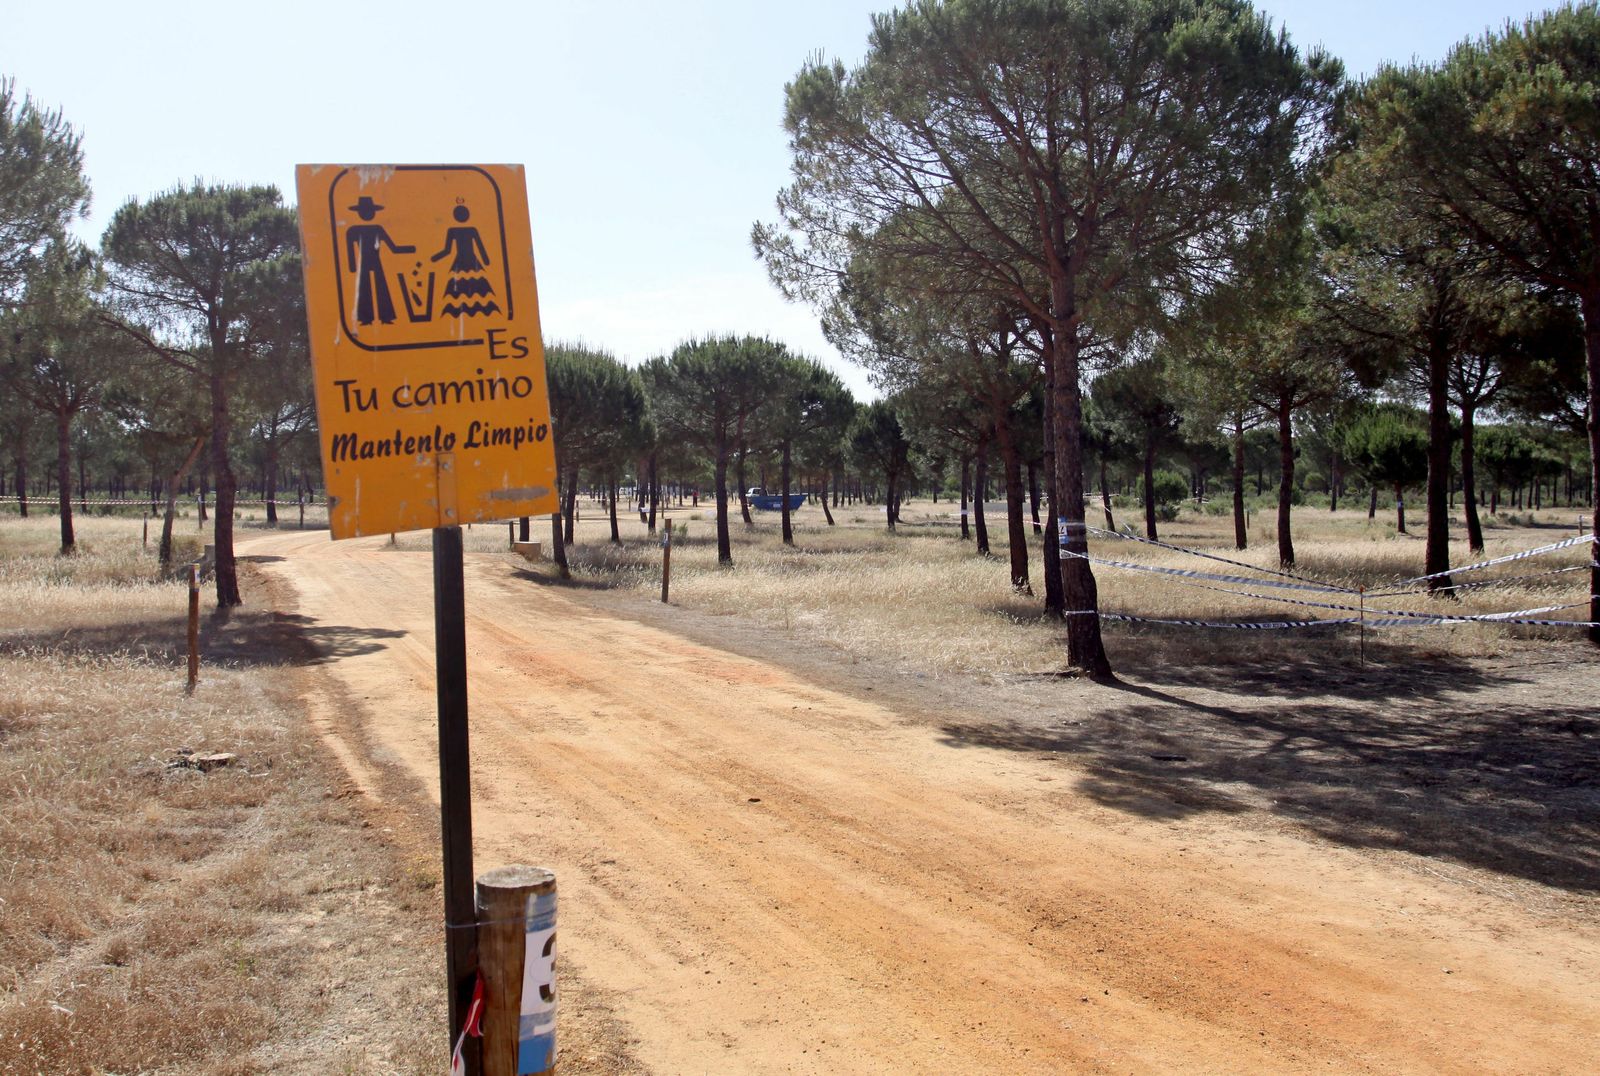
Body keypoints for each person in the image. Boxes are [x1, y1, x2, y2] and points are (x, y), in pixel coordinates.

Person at [345, 196, 414, 325]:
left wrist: (409, 249)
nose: (368, 214)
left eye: (370, 211)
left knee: (382, 287)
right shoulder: (353, 230)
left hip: (376, 261)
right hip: (363, 263)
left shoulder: (378, 228)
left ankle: (386, 317)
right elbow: (349, 249)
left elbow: (393, 247)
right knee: (363, 288)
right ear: (359, 213)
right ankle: (366, 318)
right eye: (364, 211)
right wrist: (352, 266)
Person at [433, 204, 499, 318]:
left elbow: (479, 246)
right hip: (468, 261)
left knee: (471, 290)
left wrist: (486, 260)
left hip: (466, 263)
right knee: (463, 291)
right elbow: (448, 250)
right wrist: (434, 258)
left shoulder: (469, 230)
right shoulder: (456, 230)